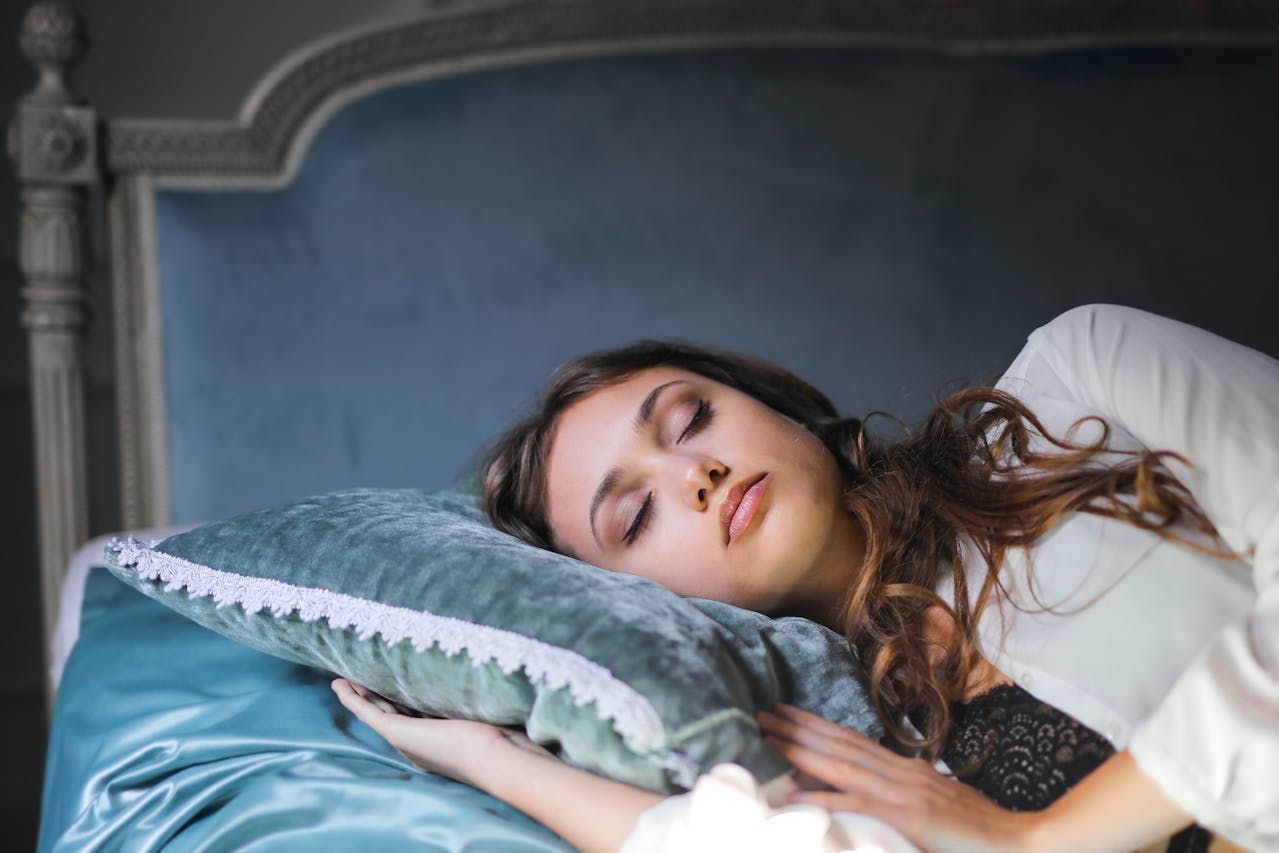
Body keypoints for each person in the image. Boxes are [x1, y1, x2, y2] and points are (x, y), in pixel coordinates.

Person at [333, 304, 1277, 852]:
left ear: (775, 403)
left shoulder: (1083, 381)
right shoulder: (847, 732)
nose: (692, 475)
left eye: (690, 417)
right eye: (634, 515)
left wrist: (1042, 837)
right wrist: (489, 757)